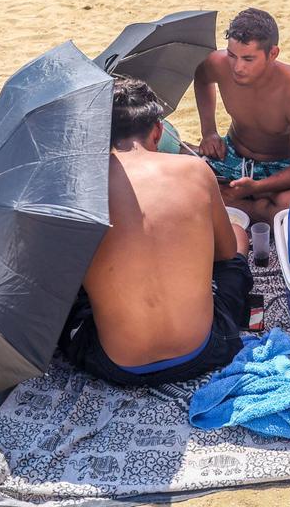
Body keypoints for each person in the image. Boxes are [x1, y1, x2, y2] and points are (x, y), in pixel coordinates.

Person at [58, 77, 253, 388]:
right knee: (237, 242)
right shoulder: (195, 171)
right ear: (158, 131)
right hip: (202, 352)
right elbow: (226, 254)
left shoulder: (79, 187)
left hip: (115, 365)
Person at [194, 8, 290, 223]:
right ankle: (258, 209)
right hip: (231, 155)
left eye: (248, 59)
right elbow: (201, 78)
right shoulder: (218, 64)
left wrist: (257, 187)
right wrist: (209, 132)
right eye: (232, 55)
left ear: (273, 54)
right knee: (179, 177)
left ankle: (233, 203)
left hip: (278, 168)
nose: (238, 67)